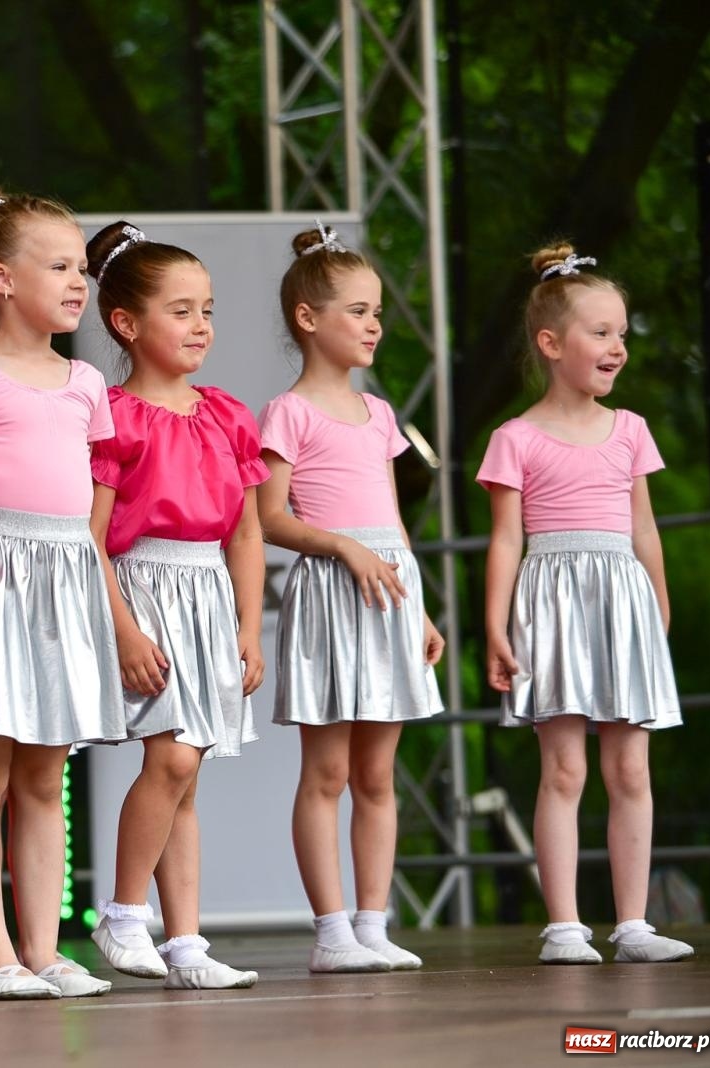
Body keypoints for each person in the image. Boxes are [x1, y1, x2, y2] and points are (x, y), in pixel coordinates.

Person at [0, 185, 123, 1000]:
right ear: (2, 280)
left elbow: (93, 499)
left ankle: (46, 949)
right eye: (59, 266)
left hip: (63, 576)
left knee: (46, 778)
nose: (79, 281)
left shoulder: (83, 380)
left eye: (82, 267)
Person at [478, 244, 692, 965]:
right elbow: (506, 541)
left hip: (621, 599)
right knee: (563, 769)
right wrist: (497, 625)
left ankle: (632, 924)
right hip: (553, 604)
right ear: (551, 343)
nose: (617, 346)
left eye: (621, 332)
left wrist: (656, 601)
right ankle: (565, 925)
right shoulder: (515, 438)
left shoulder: (629, 430)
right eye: (600, 332)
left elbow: (643, 526)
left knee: (631, 769)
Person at [257, 223, 444, 974]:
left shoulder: (382, 416)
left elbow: (393, 518)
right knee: (327, 772)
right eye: (359, 311)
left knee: (377, 774)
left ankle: (374, 923)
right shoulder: (289, 413)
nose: (375, 324)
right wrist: (340, 546)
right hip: (333, 591)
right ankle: (331, 929)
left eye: (377, 312)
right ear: (310, 318)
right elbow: (270, 517)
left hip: (388, 589)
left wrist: (420, 606)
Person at [84, 222, 264, 990]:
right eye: (181, 310)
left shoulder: (225, 414)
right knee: (173, 755)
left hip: (207, 593)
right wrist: (123, 626)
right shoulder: (114, 416)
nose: (201, 327)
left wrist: (248, 627)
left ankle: (186, 941)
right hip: (143, 588)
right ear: (126, 324)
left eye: (208, 310)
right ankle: (123, 914)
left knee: (187, 777)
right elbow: (89, 535)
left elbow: (248, 530)